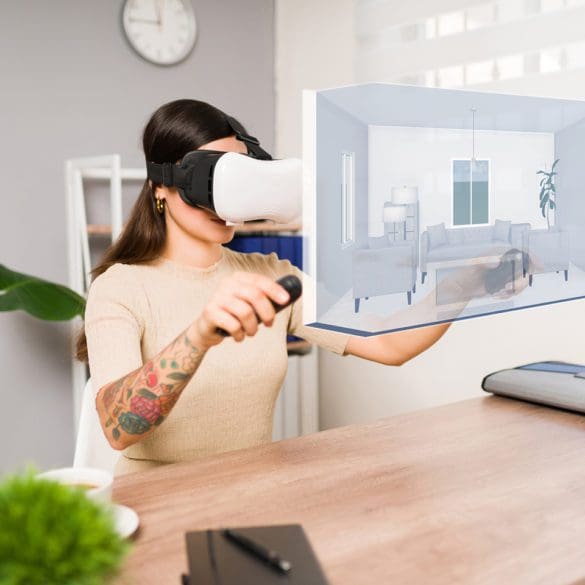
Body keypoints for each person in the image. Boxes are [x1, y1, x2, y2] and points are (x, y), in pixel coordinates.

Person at [76, 99, 462, 476]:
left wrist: (464, 286)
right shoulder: (120, 288)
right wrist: (199, 336)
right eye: (209, 180)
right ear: (160, 185)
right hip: (159, 503)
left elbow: (387, 342)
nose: (222, 202)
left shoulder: (270, 275)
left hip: (252, 493)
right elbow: (118, 426)